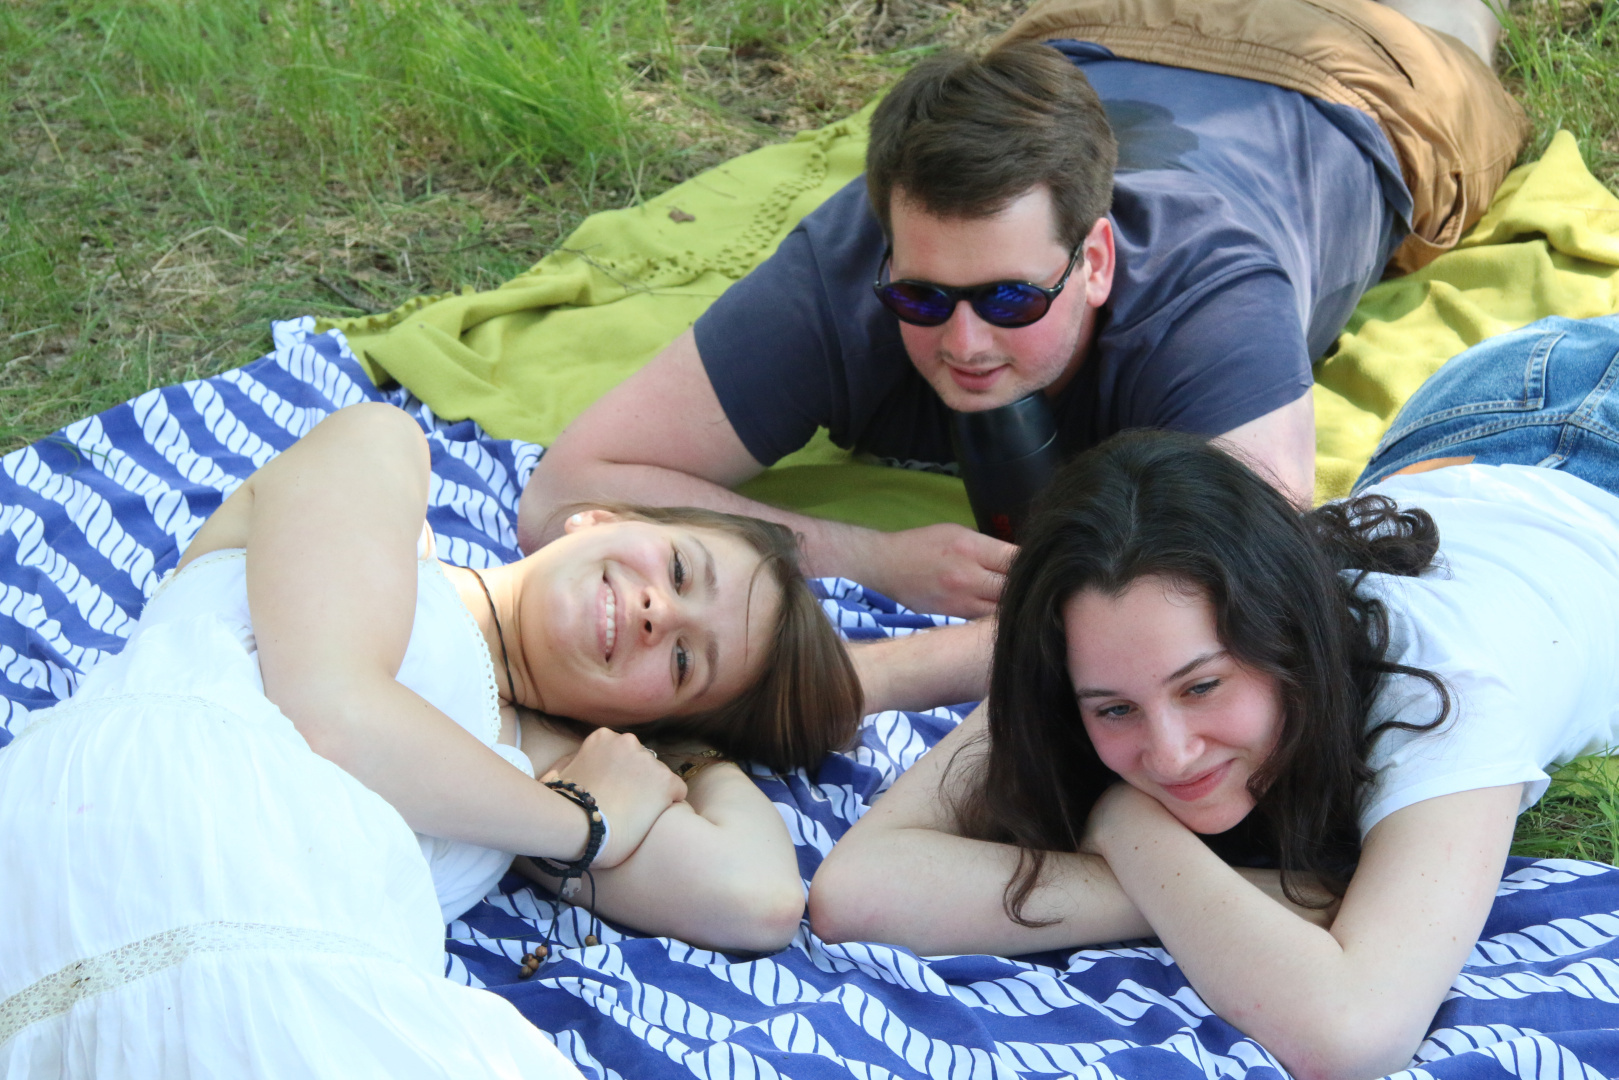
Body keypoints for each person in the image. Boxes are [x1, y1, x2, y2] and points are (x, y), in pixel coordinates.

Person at [515, 0, 1527, 712]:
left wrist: (874, 679)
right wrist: (870, 559)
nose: (963, 343)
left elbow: (1238, 597)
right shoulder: (847, 270)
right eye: (922, 299)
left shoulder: (1210, 297)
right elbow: (568, 489)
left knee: (1449, 19)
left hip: (1353, 77)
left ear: (1095, 261)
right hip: (1098, 28)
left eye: (1009, 299)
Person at [810, 314, 1619, 1080]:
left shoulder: (1439, 688)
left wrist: (1124, 828)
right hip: (1454, 443)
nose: (1168, 755)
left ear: (1284, 639)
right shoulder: (1104, 657)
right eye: (1115, 709)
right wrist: (1178, 864)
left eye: (1201, 685)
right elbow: (858, 892)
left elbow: (1353, 1033)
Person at [0, 402, 861, 1076]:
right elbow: (333, 711)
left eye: (683, 662)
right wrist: (582, 823)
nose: (655, 610)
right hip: (118, 834)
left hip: (305, 992)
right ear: (596, 519)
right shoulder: (379, 458)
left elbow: (757, 900)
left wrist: (688, 757)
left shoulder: (537, 767)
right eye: (677, 568)